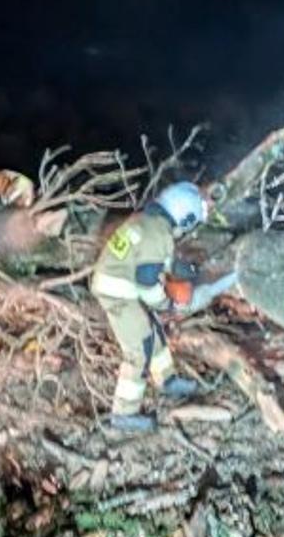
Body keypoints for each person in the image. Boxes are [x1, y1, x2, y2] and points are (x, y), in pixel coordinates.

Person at [89, 181, 208, 432]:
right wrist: (165, 303)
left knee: (152, 330)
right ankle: (123, 414)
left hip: (118, 283)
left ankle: (167, 379)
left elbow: (154, 262)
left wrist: (184, 272)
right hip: (119, 291)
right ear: (185, 218)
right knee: (138, 349)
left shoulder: (148, 222)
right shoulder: (159, 233)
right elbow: (146, 282)